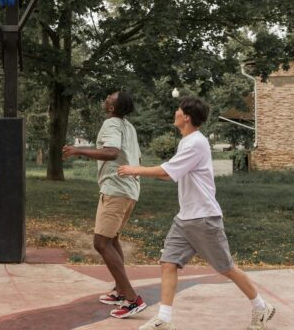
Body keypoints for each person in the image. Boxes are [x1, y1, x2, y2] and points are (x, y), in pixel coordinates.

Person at [117, 97, 276, 330]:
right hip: (185, 219)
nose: (175, 112)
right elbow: (169, 173)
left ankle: (261, 307)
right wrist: (139, 172)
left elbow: (168, 172)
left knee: (226, 268)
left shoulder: (195, 143)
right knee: (168, 262)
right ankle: (165, 319)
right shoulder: (188, 142)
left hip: (203, 219)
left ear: (187, 117)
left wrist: (134, 169)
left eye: (178, 110)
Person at [62, 90, 146, 319]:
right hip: (129, 190)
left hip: (116, 190)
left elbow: (111, 152)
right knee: (112, 239)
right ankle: (120, 291)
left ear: (111, 108)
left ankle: (132, 299)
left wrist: (78, 150)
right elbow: (135, 158)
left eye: (110, 96)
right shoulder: (128, 126)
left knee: (100, 243)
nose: (106, 97)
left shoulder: (111, 124)